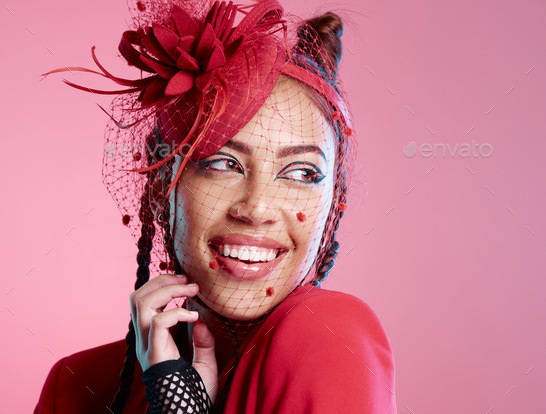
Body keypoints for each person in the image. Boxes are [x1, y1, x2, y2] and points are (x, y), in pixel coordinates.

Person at [35, 0, 398, 412]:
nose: (257, 207)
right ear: (161, 185)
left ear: (332, 202)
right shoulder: (77, 384)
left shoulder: (329, 334)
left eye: (301, 173)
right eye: (223, 164)